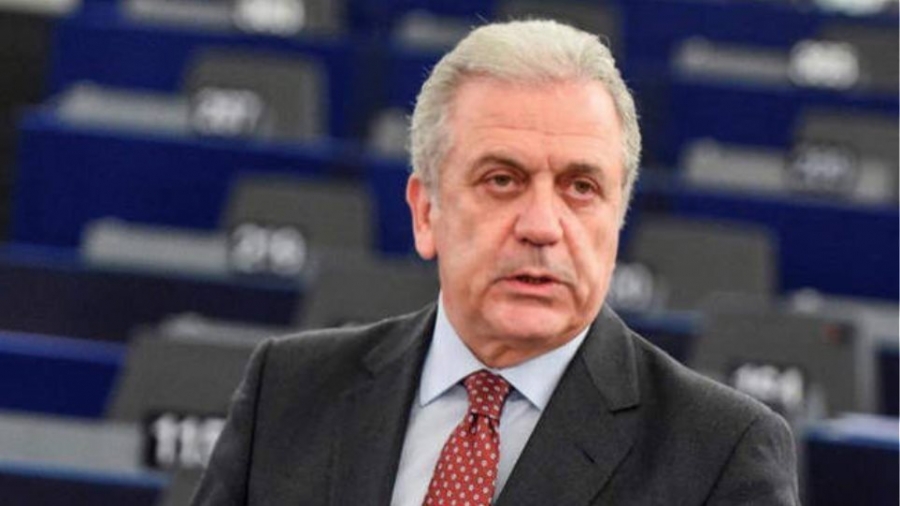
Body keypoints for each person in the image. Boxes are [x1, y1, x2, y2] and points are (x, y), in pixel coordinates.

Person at [191, 19, 799, 506]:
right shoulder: (288, 390)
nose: (542, 226)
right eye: (502, 180)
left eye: (581, 188)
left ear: (617, 219)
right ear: (425, 212)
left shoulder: (720, 454)